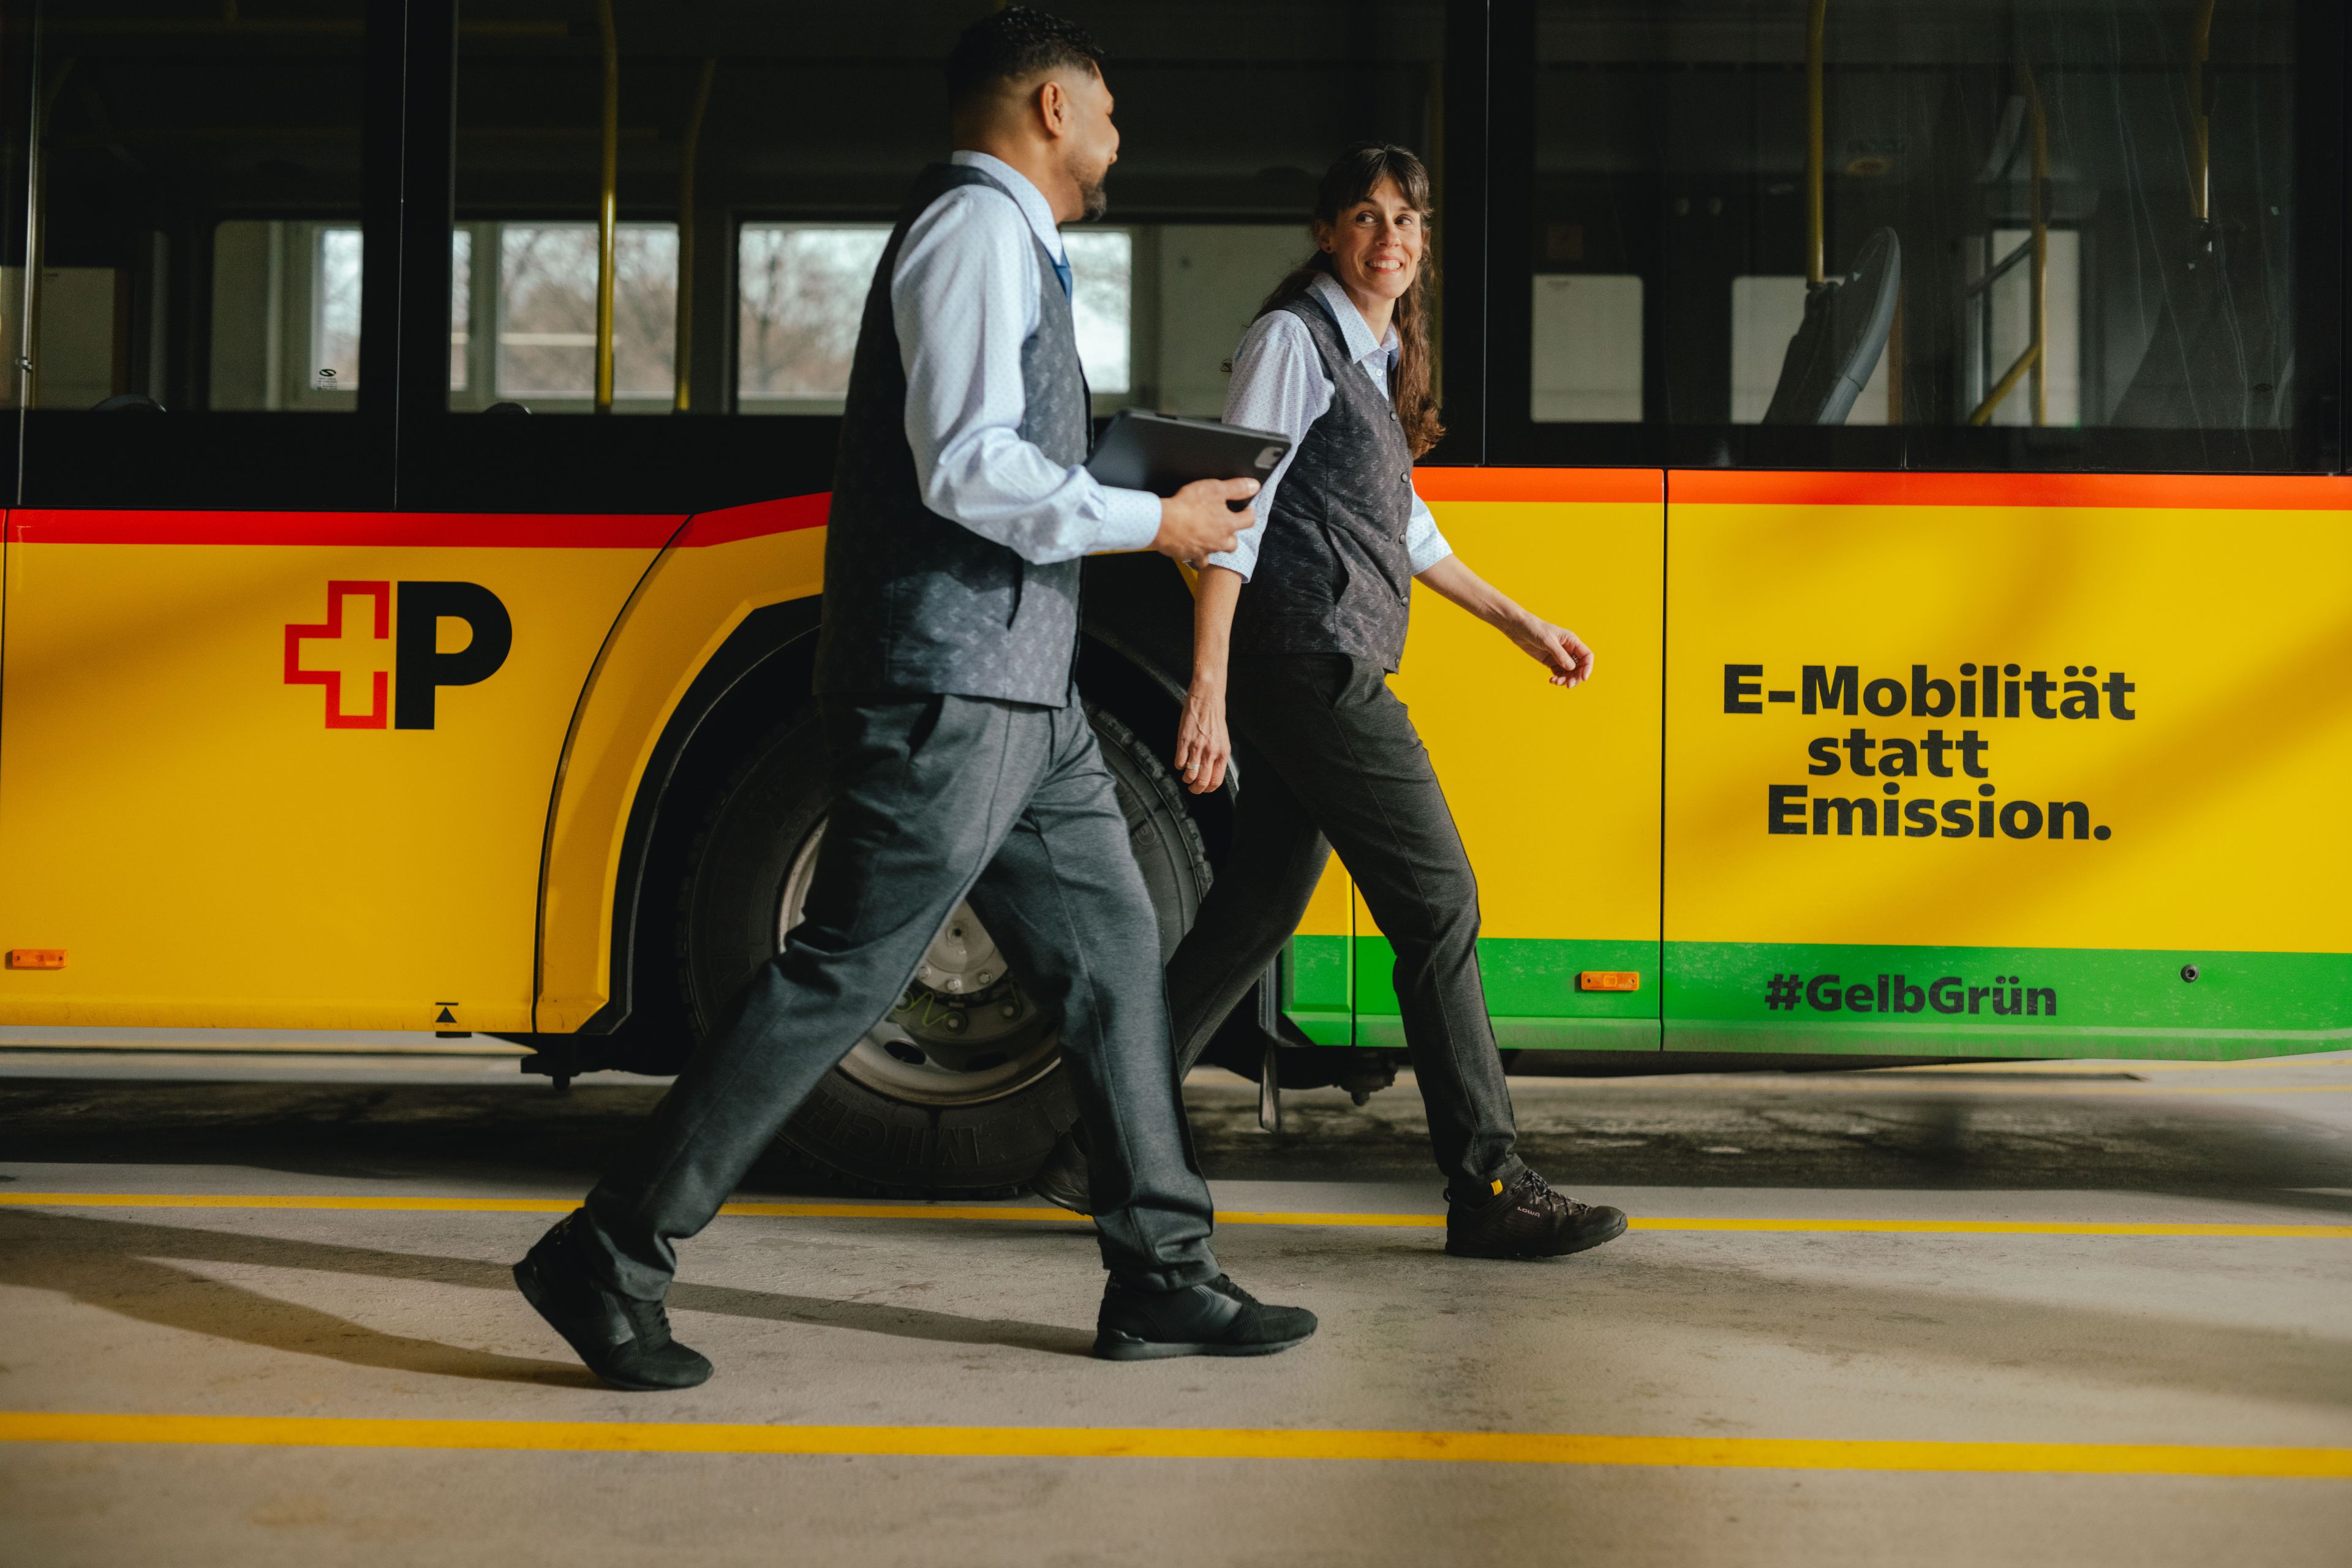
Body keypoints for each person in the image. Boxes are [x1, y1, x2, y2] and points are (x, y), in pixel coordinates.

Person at [511, 7, 1316, 1389]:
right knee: (847, 968)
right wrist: (1154, 519)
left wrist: (1135, 484)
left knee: (1116, 951)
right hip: (951, 680)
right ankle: (609, 1250)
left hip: (1022, 687)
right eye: (1108, 109)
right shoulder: (973, 230)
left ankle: (1162, 1273)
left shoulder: (1017, 243)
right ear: (1051, 107)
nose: (1120, 136)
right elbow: (966, 466)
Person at [1033, 145, 1630, 1262]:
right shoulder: (1293, 341)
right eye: (1365, 216)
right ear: (1326, 232)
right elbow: (1236, 514)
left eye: (1406, 219)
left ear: (1423, 243)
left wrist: (1518, 622)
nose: (1388, 237)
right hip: (1308, 664)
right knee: (1439, 905)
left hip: (1314, 661)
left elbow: (1405, 526)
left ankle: (1089, 1145)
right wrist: (1207, 689)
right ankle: (1488, 1183)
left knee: (1258, 909)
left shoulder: (1377, 352)